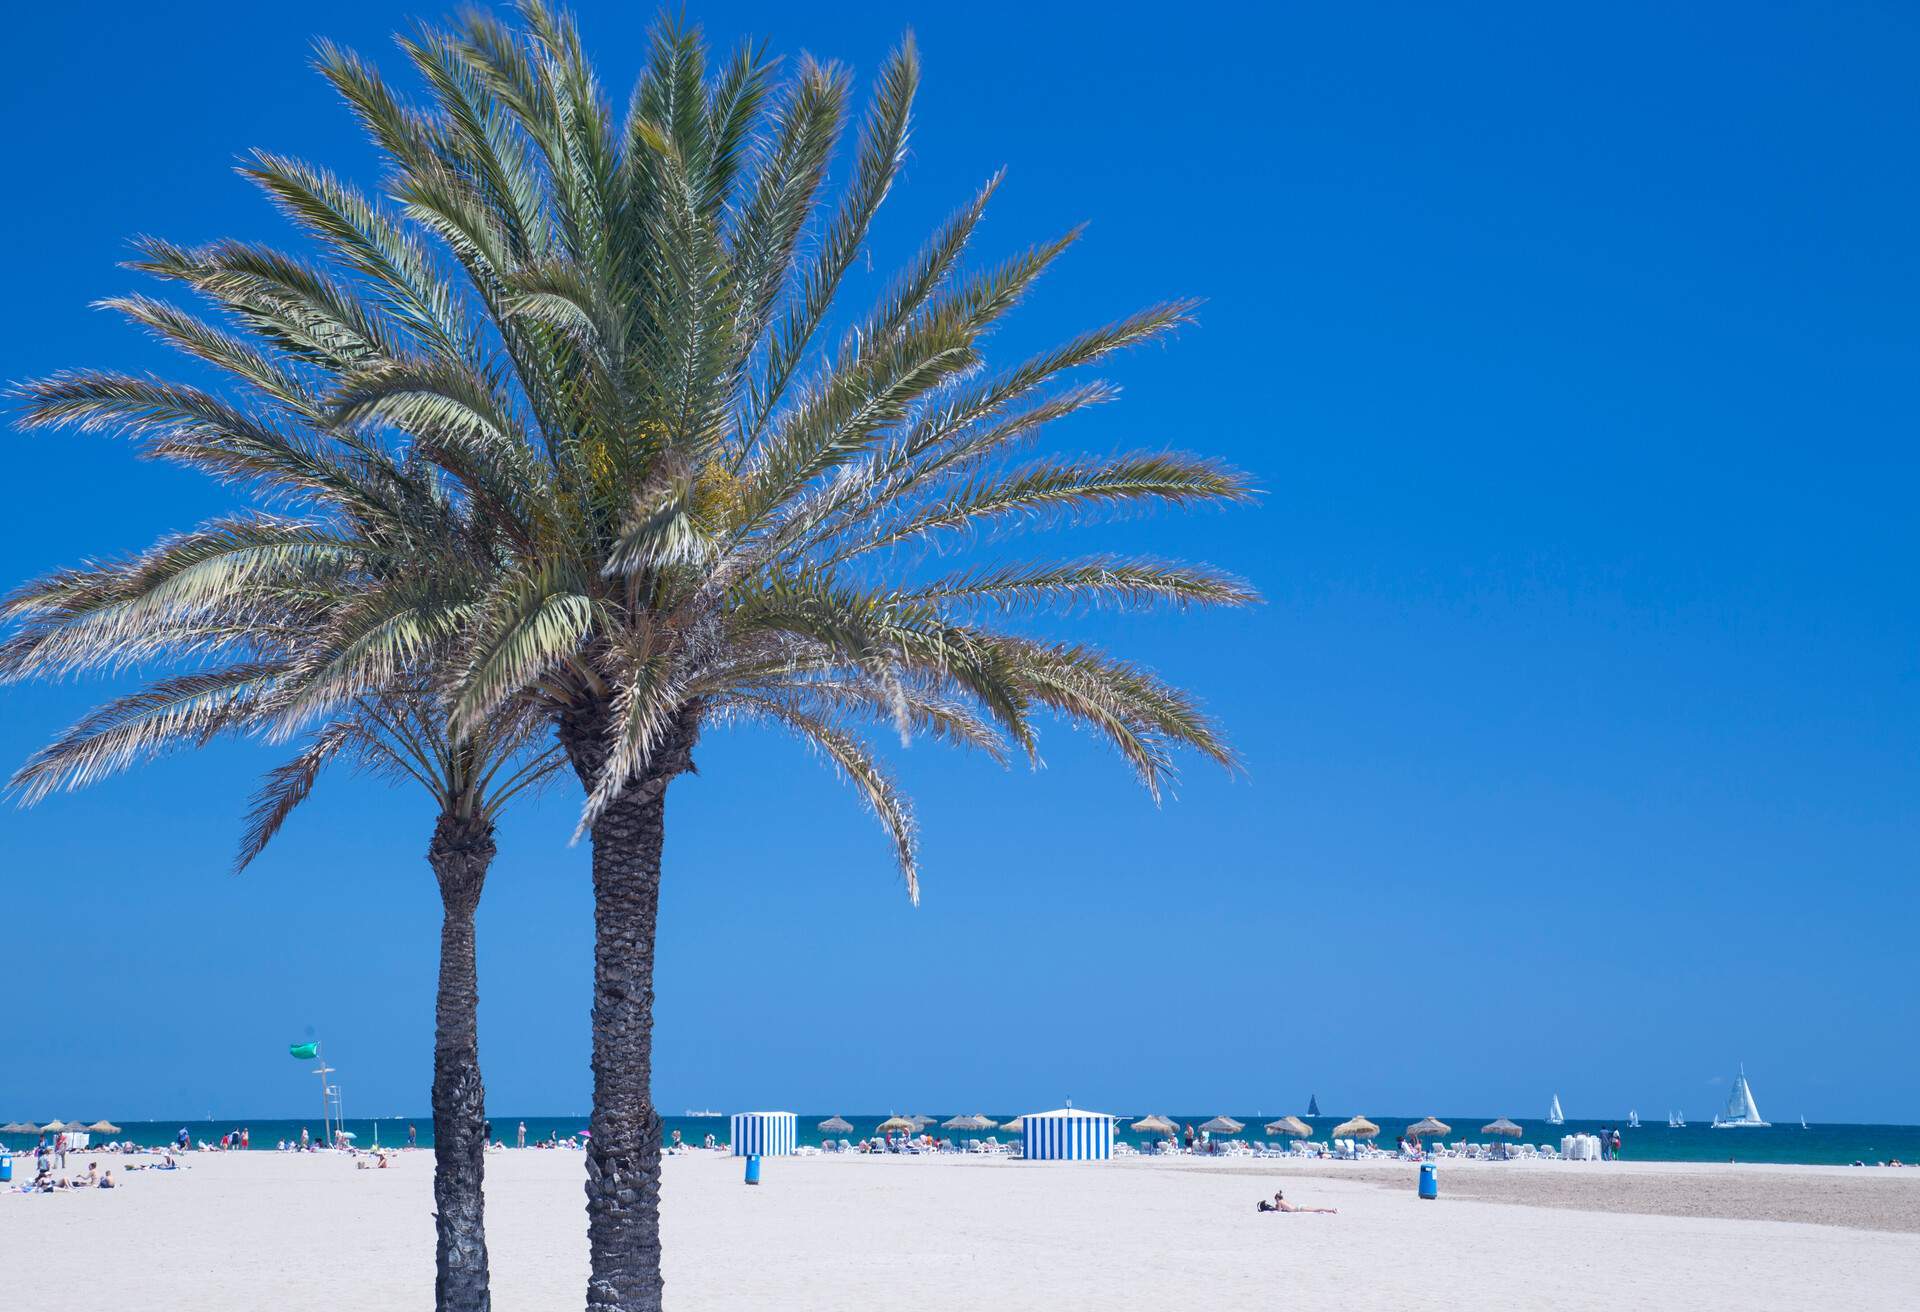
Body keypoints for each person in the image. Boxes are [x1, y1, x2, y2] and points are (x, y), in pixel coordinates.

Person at [1263, 1189, 1337, 1214]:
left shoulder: (1279, 1202)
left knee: (1316, 1209)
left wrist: (1275, 1208)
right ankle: (1331, 1210)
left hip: (1298, 1209)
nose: (1275, 1201)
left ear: (1277, 1198)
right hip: (1299, 1207)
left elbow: (1279, 1211)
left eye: (1275, 1199)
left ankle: (1331, 1210)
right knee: (1316, 1209)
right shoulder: (1283, 1200)